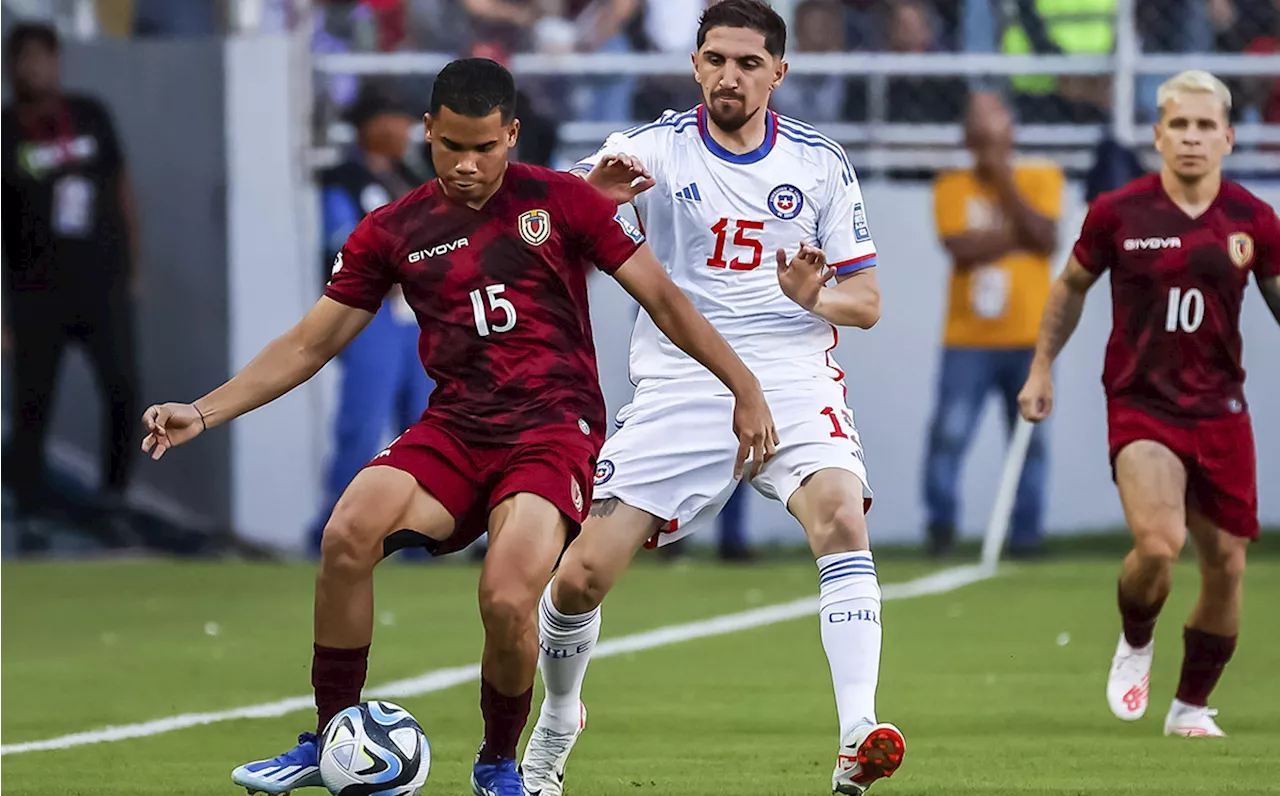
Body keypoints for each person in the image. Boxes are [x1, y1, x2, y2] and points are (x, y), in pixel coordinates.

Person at [140, 58, 775, 796]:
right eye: (451, 148)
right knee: (348, 532)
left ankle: (498, 764)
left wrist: (744, 386)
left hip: (551, 430)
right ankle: (331, 737)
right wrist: (205, 410)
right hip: (456, 428)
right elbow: (310, 344)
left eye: (485, 147)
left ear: (511, 135)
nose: (468, 165)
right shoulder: (393, 230)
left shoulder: (563, 202)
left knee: (507, 597)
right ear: (428, 133)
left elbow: (664, 299)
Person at [521, 3, 902, 794]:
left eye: (749, 62)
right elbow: (537, 234)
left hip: (792, 375)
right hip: (685, 378)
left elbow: (865, 302)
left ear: (779, 74)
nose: (731, 75)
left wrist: (813, 298)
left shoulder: (820, 163)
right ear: (695, 65)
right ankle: (558, 716)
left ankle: (857, 733)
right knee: (583, 576)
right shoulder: (649, 149)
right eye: (717, 59)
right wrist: (589, 195)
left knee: (841, 516)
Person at [1019, 70, 1280, 737]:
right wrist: (1042, 366)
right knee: (1159, 546)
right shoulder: (1118, 212)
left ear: (1227, 136)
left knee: (1226, 565)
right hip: (1143, 406)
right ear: (1159, 134)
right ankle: (1137, 637)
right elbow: (1071, 285)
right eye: (1178, 125)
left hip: (1222, 410)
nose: (1191, 137)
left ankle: (1190, 706)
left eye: (1204, 126)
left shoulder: (1254, 219)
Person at [0, 22, 143, 554]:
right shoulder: (6, 130)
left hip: (101, 285)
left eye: (43, 57)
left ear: (57, 61)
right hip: (34, 291)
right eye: (24, 59)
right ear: (12, 67)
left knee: (123, 389)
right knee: (33, 403)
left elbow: (122, 187)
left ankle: (114, 501)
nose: (35, 68)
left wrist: (134, 267)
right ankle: (31, 510)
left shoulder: (89, 114)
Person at [924, 91, 1062, 558]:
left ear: (1012, 131)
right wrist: (1017, 233)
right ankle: (941, 529)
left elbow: (1046, 238)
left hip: (1031, 338)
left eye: (994, 129)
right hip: (968, 339)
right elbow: (958, 246)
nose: (986, 141)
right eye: (977, 131)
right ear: (965, 137)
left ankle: (1026, 536)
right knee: (949, 435)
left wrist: (1003, 179)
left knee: (1032, 442)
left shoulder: (1041, 176)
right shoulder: (950, 184)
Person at [308, 83, 434, 556]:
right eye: (397, 120)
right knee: (362, 423)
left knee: (423, 427)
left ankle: (419, 536)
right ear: (371, 126)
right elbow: (341, 240)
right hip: (371, 312)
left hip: (417, 316)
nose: (405, 130)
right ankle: (336, 530)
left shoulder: (409, 174)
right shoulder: (343, 179)